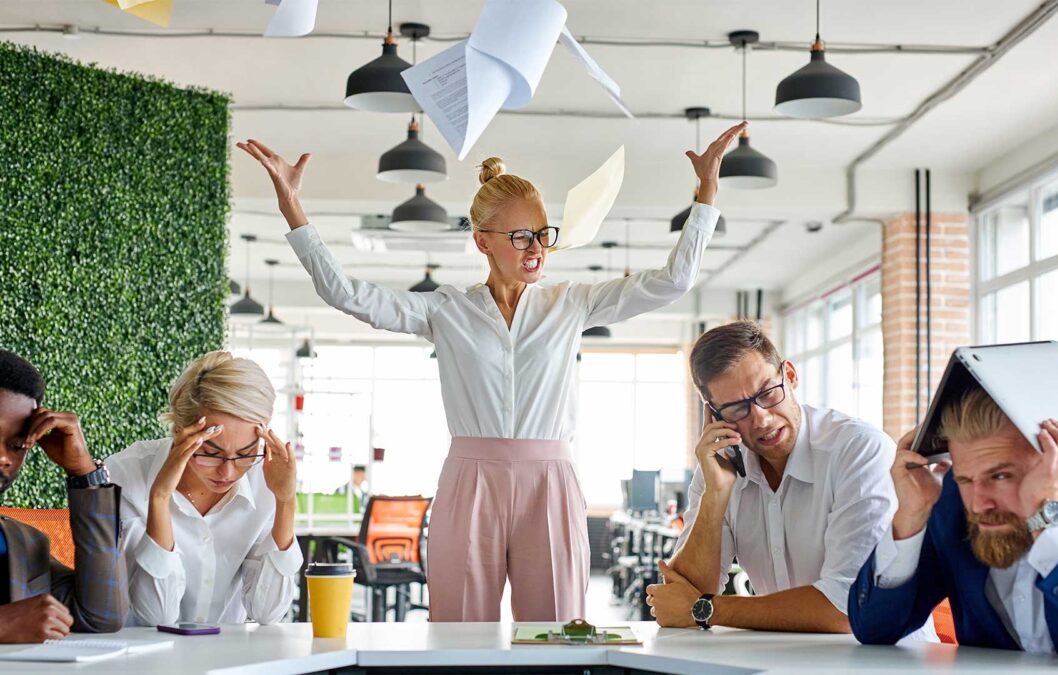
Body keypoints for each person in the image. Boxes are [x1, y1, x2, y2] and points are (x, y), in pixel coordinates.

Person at [237, 121, 746, 622]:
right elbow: (347, 294)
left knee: (554, 630)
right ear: (482, 241)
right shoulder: (446, 309)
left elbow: (673, 281)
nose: (537, 248)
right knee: (458, 628)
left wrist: (706, 193)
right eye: (521, 236)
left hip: (550, 479)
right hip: (469, 478)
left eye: (542, 235)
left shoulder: (570, 304)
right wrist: (292, 207)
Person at [646, 321, 935, 639]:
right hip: (787, 657)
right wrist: (714, 496)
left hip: (886, 658)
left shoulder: (859, 449)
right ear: (715, 416)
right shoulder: (719, 466)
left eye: (767, 393)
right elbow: (680, 597)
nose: (761, 419)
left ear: (791, 375)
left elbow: (848, 608)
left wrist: (706, 609)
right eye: (737, 409)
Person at [849, 387, 1058, 655]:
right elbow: (874, 629)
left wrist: (1046, 516)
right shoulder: (950, 503)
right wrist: (910, 515)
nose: (978, 504)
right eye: (964, 479)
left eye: (1000, 476)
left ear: (1057, 460)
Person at [106, 351, 302, 626]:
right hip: (142, 651)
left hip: (227, 651)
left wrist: (285, 500)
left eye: (246, 453)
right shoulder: (125, 475)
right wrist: (160, 497)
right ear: (179, 430)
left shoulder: (266, 480)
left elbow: (267, 612)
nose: (228, 472)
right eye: (210, 453)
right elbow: (156, 615)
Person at [0, 350, 127, 641]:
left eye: (17, 446)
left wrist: (84, 474)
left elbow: (101, 616)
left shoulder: (23, 544)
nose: (3, 458)